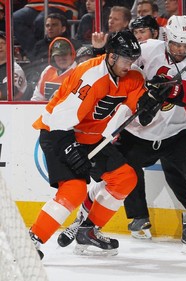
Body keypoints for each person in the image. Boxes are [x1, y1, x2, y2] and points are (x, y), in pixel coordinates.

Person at [60, 15, 186, 255]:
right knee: (112, 182)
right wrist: (140, 88)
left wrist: (168, 87)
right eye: (176, 44)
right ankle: (83, 222)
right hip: (136, 134)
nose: (181, 50)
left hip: (175, 134)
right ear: (167, 38)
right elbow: (119, 68)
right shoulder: (148, 49)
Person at [28, 30, 161, 259]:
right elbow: (60, 116)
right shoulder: (90, 75)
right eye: (125, 59)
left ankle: (87, 231)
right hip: (58, 132)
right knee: (75, 189)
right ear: (111, 57)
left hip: (91, 138)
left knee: (125, 178)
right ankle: (32, 242)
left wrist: (149, 105)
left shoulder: (133, 77)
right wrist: (70, 147)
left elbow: (133, 112)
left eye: (132, 59)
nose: (129, 64)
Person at [13, 0, 79, 58]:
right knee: (14, 18)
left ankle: (45, 55)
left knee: (41, 21)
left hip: (60, 4)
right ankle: (35, 56)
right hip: (34, 5)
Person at [27, 13, 82, 82]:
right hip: (44, 80)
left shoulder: (74, 45)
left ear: (63, 28)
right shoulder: (39, 45)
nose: (50, 28)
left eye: (54, 25)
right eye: (47, 25)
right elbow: (33, 67)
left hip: (70, 80)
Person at [0, 31, 28, 101]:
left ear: (10, 46)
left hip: (9, 110)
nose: (0, 46)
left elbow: (5, 94)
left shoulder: (15, 69)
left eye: (2, 43)